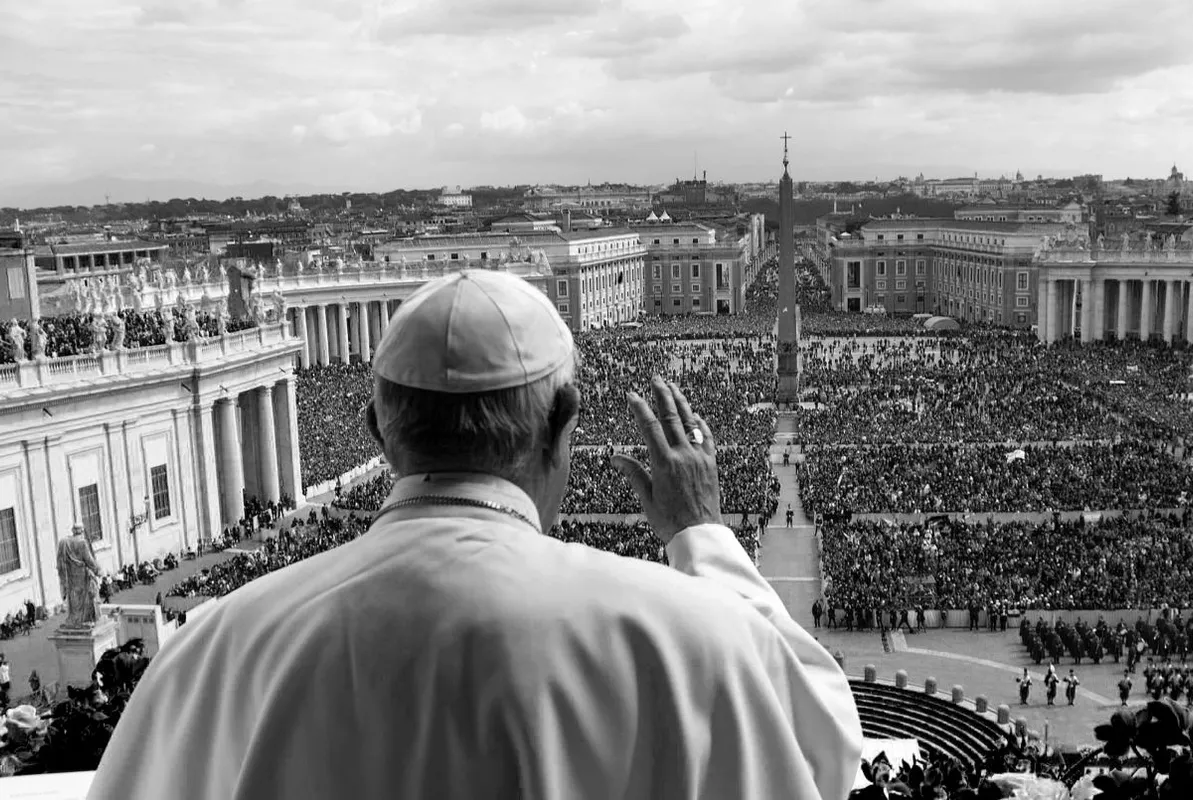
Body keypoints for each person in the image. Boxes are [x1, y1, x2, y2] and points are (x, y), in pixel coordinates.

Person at [90, 270, 863, 800]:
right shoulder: (688, 636)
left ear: (378, 434)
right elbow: (826, 752)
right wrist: (702, 536)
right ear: (563, 430)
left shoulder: (213, 651)